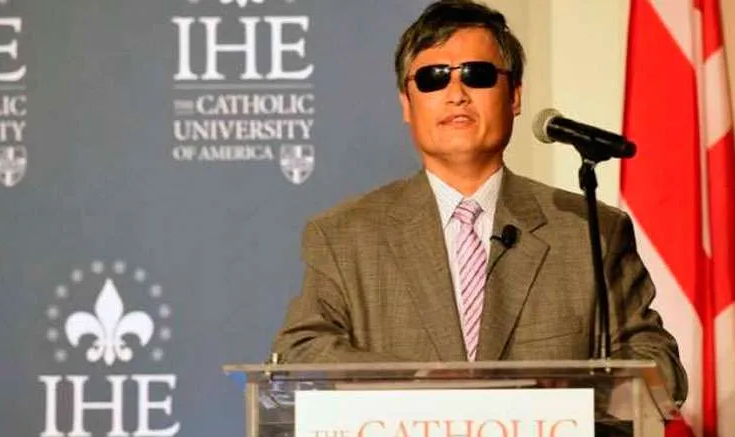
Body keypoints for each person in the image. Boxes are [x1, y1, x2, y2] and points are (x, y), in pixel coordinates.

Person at [270, 0, 687, 404]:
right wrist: (418, 383)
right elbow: (301, 355)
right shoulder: (344, 236)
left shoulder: (590, 232)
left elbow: (660, 368)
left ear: (515, 96)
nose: (456, 93)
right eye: (433, 78)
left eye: (477, 74)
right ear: (406, 104)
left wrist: (556, 396)